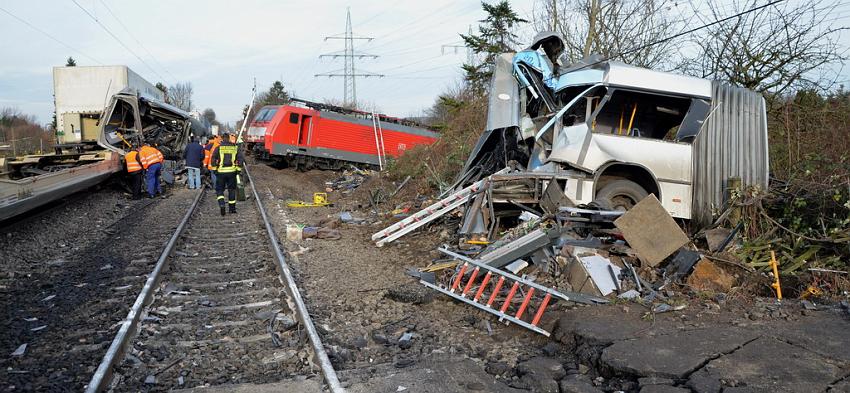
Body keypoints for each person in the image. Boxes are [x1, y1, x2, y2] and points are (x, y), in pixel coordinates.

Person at [211, 133, 244, 215]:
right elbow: (240, 159)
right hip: (232, 172)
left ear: (222, 139)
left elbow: (213, 159)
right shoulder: (235, 148)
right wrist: (238, 170)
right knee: (232, 190)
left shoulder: (218, 148)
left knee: (219, 190)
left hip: (221, 172)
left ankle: (222, 204)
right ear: (229, 139)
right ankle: (232, 209)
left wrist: (215, 170)